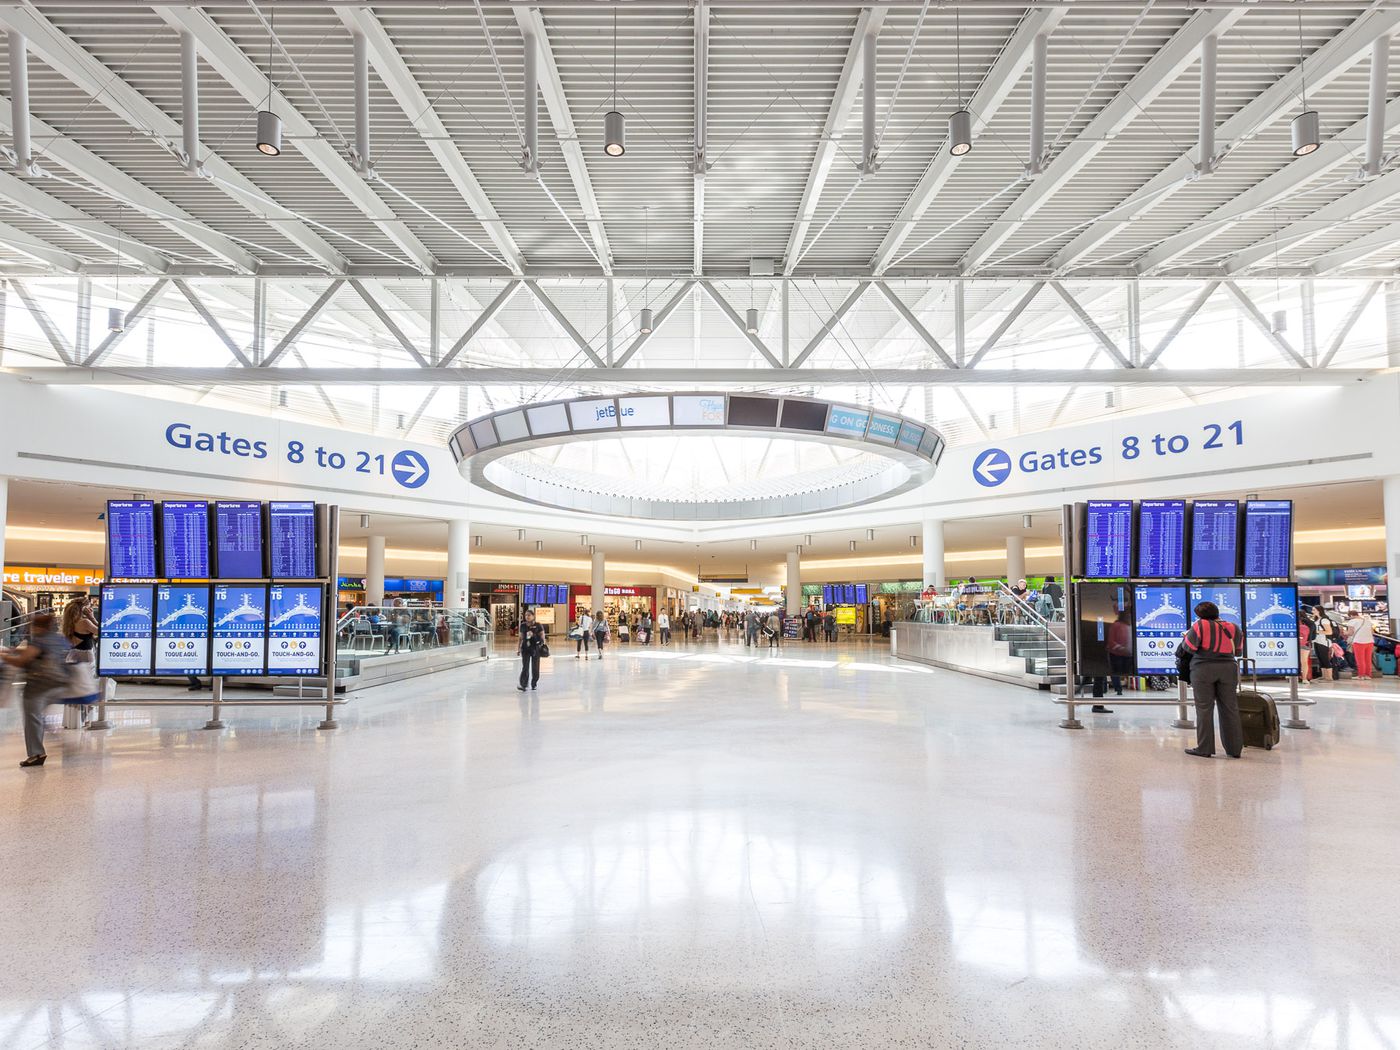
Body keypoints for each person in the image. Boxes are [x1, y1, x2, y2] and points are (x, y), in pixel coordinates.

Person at [2, 612, 72, 767]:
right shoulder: (60, 639)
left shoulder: (39, 641)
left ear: (38, 627)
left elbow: (21, 661)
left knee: (32, 717)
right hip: (60, 684)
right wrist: (15, 651)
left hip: (39, 686)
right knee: (39, 715)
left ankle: (36, 754)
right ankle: (51, 735)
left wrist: (4, 656)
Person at [1176, 600, 1244, 759]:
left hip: (1203, 669)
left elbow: (1188, 648)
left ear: (1200, 615)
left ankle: (1204, 748)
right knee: (1230, 708)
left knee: (1204, 709)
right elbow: (1238, 651)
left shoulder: (1200, 626)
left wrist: (1187, 635)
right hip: (1228, 668)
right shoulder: (1234, 627)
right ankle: (1234, 749)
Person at [60, 598, 101, 711]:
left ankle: (75, 716)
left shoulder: (69, 622)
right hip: (86, 655)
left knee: (76, 685)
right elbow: (101, 631)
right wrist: (92, 617)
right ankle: (87, 712)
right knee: (87, 684)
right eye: (89, 607)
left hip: (73, 654)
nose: (91, 609)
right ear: (84, 608)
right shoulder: (85, 622)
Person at [1100, 609, 1133, 713]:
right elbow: (1111, 641)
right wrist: (1121, 648)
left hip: (1128, 654)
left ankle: (1117, 688)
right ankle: (1118, 688)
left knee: (1120, 671)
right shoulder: (1116, 625)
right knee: (1115, 672)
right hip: (1116, 654)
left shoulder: (1129, 626)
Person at [517, 608, 546, 691]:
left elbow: (542, 638)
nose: (527, 617)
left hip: (535, 648)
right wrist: (518, 649)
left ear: (533, 616)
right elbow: (520, 638)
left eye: (529, 615)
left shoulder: (538, 625)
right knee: (525, 667)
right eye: (526, 615)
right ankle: (524, 684)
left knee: (535, 667)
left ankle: (534, 683)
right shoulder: (523, 625)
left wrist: (534, 636)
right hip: (525, 648)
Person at [1348, 608, 1376, 680]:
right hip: (1370, 642)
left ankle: (1361, 675)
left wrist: (1344, 633)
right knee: (1368, 659)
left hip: (1359, 642)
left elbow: (1350, 633)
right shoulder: (1367, 621)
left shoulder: (1352, 621)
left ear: (1351, 615)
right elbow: (1372, 632)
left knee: (1360, 659)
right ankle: (1368, 675)